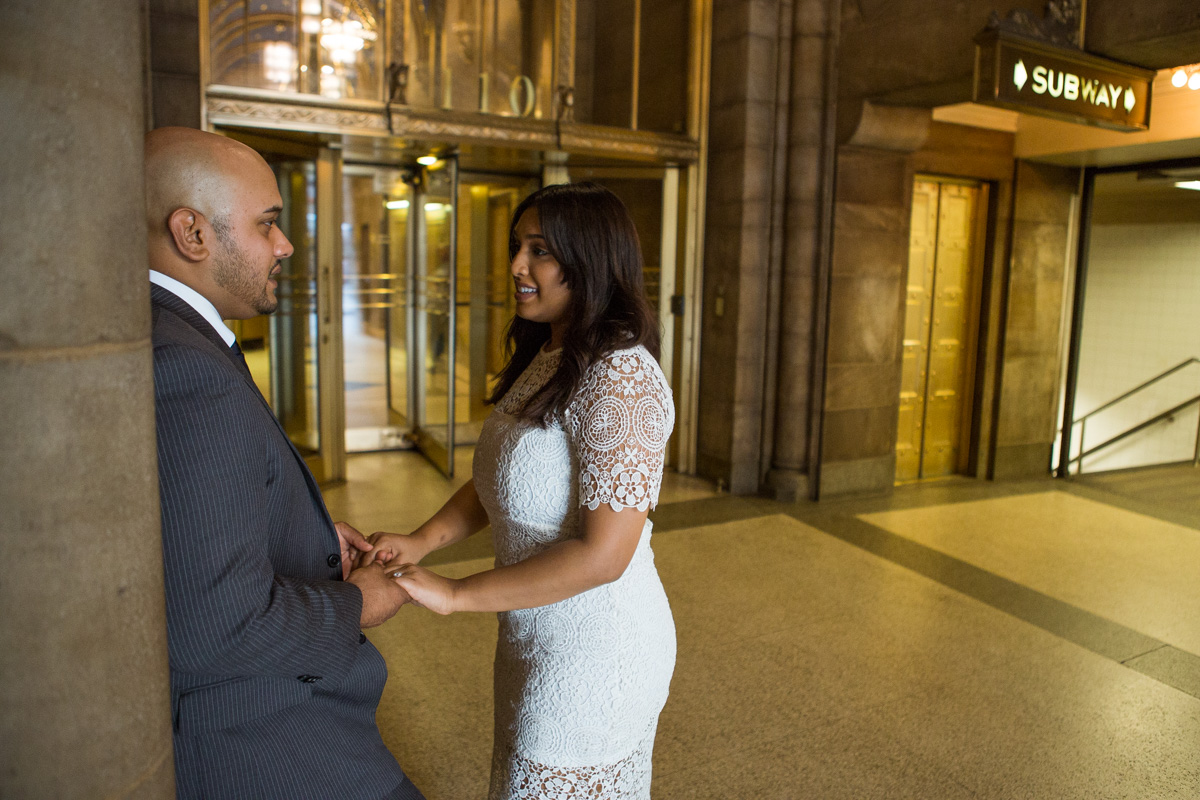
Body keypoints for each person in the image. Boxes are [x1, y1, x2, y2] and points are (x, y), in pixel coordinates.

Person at [360, 182, 677, 799]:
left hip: (598, 650)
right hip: (534, 633)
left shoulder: (621, 377)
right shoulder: (554, 352)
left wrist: (454, 594)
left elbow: (604, 557)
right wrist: (421, 541)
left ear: (589, 259)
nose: (515, 265)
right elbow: (503, 477)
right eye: (517, 246)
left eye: (539, 250)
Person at [145, 127, 424, 800]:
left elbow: (183, 526)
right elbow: (216, 625)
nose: (286, 244)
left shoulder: (175, 331)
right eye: (267, 223)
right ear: (192, 233)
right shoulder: (188, 368)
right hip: (264, 740)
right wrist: (359, 603)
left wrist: (302, 532)